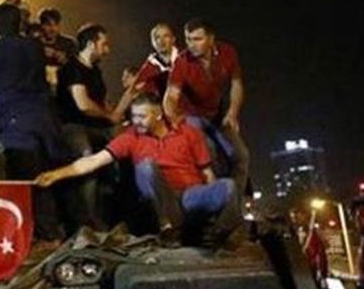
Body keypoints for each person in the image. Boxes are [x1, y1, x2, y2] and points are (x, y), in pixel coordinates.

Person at [36, 93, 243, 248]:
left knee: (228, 186)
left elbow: (207, 173)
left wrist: (214, 203)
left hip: (190, 196)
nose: (136, 121)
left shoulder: (189, 133)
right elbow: (93, 161)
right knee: (146, 167)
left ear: (158, 115)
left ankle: (217, 234)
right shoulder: (131, 137)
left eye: (142, 116)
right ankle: (168, 229)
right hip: (162, 200)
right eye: (134, 116)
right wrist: (55, 175)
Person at [0, 3, 67, 241]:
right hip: (46, 119)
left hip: (17, 125)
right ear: (20, 23)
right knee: (50, 176)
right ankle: (58, 232)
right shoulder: (35, 47)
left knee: (27, 180)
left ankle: (41, 236)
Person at [55, 23, 135, 228]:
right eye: (104, 44)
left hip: (98, 127)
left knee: (123, 152)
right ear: (91, 44)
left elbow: (102, 102)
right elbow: (83, 104)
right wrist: (110, 116)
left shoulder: (95, 71)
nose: (107, 50)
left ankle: (121, 215)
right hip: (74, 126)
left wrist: (119, 108)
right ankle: (87, 220)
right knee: (87, 156)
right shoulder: (72, 68)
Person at [164, 17, 250, 193]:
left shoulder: (228, 52)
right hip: (191, 116)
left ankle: (234, 203)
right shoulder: (182, 61)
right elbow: (171, 96)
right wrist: (174, 120)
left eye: (197, 39)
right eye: (188, 39)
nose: (191, 45)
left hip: (217, 114)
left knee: (241, 155)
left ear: (211, 39)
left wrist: (233, 113)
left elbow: (237, 84)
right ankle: (216, 198)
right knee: (209, 151)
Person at [130, 22, 180, 97]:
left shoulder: (185, 59)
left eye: (166, 36)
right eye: (157, 38)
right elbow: (133, 91)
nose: (161, 41)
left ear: (173, 39)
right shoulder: (149, 66)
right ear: (153, 42)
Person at [37, 7, 78, 91]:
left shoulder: (69, 43)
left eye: (56, 24)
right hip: (39, 89)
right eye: (48, 24)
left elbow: (76, 69)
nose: (52, 28)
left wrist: (57, 55)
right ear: (41, 25)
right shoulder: (33, 44)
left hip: (63, 88)